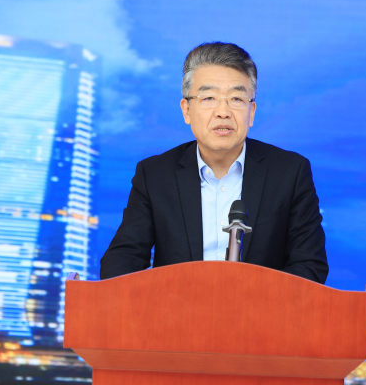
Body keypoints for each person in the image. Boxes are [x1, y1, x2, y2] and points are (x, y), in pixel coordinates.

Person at [100, 42, 328, 283]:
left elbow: (308, 264)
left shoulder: (290, 173)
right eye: (209, 97)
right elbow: (124, 258)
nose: (223, 112)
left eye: (236, 98)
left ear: (251, 112)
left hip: (262, 305)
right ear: (186, 110)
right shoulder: (155, 175)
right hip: (177, 305)